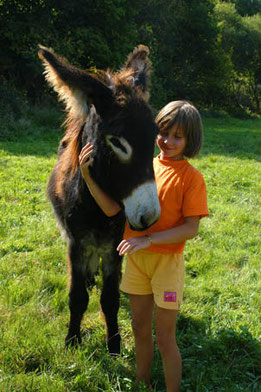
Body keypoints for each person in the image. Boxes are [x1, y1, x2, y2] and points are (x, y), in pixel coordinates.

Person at [79, 101, 209, 392]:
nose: (167, 141)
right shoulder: (145, 167)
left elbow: (191, 228)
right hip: (137, 263)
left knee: (164, 338)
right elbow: (114, 210)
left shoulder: (191, 178)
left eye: (178, 136)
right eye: (163, 132)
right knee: (139, 329)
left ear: (191, 140)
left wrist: (146, 239)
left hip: (166, 266)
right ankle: (143, 382)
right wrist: (87, 177)